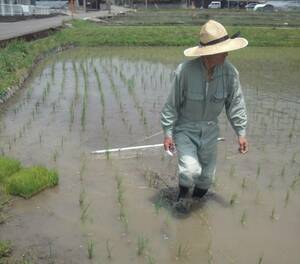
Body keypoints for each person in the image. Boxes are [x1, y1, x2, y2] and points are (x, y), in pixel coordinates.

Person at [160, 20, 249, 213]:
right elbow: (171, 105)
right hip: (185, 129)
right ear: (209, 53)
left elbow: (236, 104)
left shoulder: (230, 73)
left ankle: (196, 202)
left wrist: (241, 132)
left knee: (207, 177)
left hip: (210, 130)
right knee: (190, 171)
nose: (227, 53)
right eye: (223, 49)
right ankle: (182, 199)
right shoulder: (184, 71)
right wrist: (168, 132)